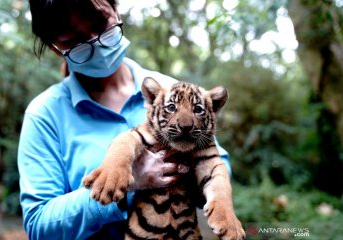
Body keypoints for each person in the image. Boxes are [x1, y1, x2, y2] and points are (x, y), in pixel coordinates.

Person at [18, 0, 231, 239]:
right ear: (56, 48)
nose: (94, 42)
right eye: (74, 40)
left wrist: (201, 185)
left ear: (116, 10)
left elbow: (215, 161)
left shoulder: (169, 90)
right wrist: (127, 186)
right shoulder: (43, 115)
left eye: (100, 24)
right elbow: (39, 226)